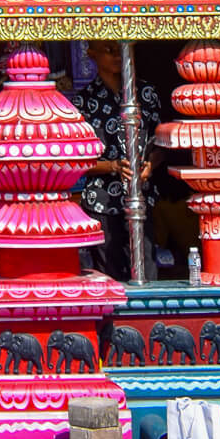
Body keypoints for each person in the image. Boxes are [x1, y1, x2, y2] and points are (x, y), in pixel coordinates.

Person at [77, 41, 161, 280]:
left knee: (146, 267)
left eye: (120, 50)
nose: (116, 56)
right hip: (102, 201)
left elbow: (160, 144)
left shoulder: (147, 94)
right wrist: (112, 166)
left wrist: (150, 165)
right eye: (109, 50)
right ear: (92, 54)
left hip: (141, 195)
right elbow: (76, 162)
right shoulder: (83, 102)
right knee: (108, 273)